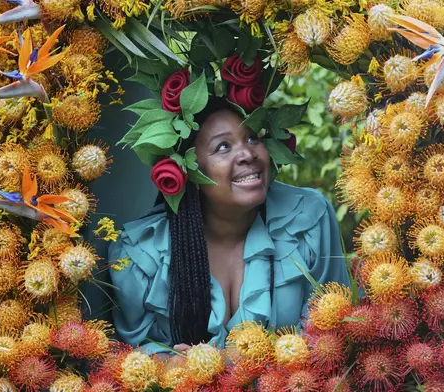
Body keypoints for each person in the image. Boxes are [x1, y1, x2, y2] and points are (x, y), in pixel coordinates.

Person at [108, 97, 351, 358]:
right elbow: (126, 356)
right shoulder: (140, 256)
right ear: (188, 172)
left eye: (251, 138)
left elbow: (333, 336)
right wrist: (171, 365)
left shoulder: (308, 219)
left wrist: (237, 363)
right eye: (223, 146)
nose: (247, 154)